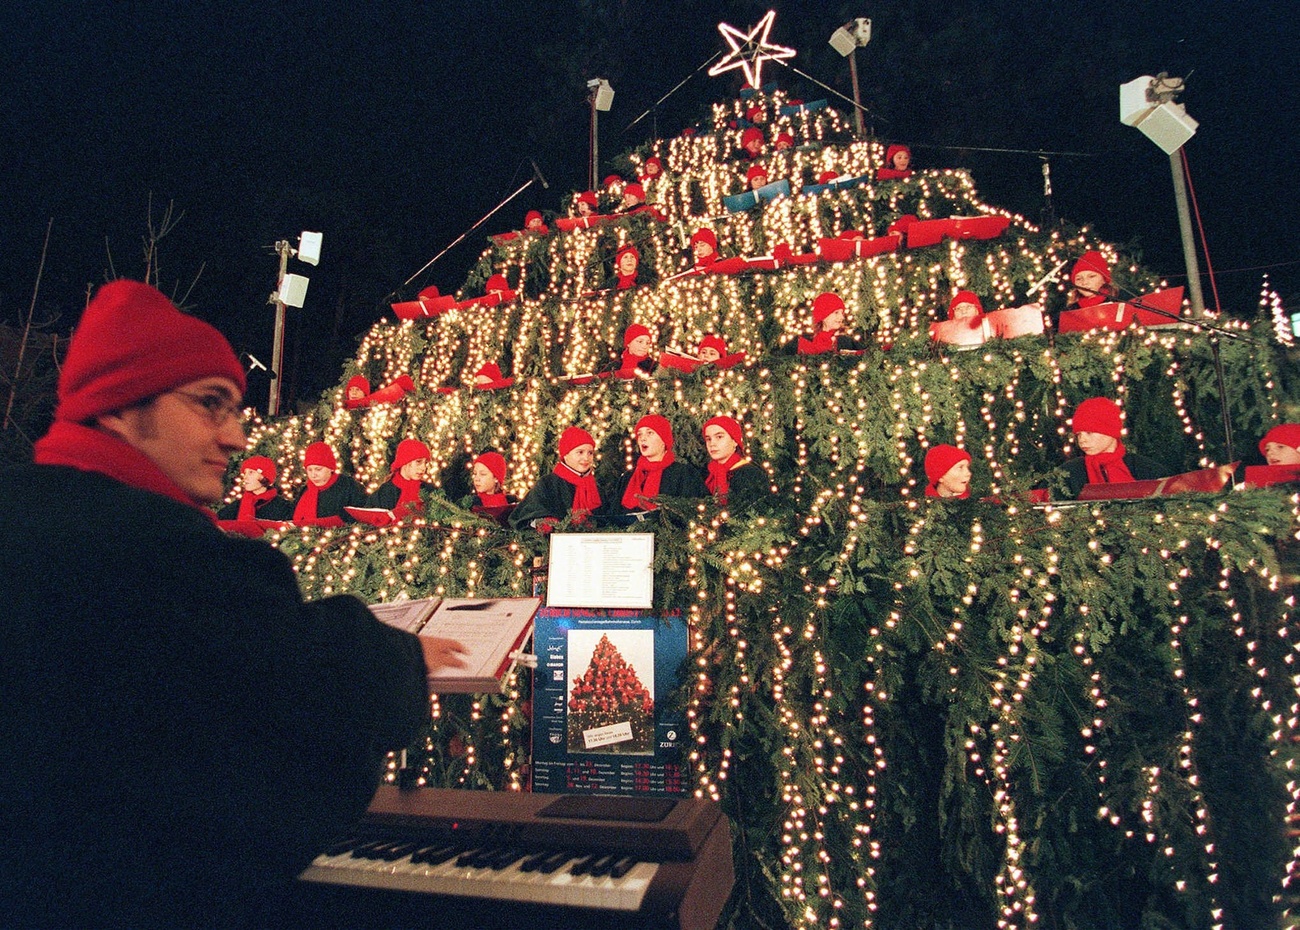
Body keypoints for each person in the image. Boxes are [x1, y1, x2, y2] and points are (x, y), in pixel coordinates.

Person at [0, 280, 466, 929]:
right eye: (210, 405)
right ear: (119, 407)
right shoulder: (170, 554)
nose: (236, 436)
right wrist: (403, 662)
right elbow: (300, 705)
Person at [1062, 396, 1167, 497]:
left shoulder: (1145, 469)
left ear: (1110, 432)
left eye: (1089, 432)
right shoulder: (1069, 472)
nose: (1082, 440)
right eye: (1079, 434)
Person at [510, 426, 602, 532]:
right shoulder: (547, 484)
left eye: (590, 453)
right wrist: (545, 523)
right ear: (566, 455)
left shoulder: (596, 487)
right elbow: (528, 512)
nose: (586, 458)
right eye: (580, 452)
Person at [609, 414, 707, 513]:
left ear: (664, 440)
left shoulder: (685, 474)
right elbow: (613, 516)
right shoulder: (627, 477)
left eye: (650, 433)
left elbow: (694, 513)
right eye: (640, 434)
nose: (643, 438)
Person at [292, 440, 367, 526]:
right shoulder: (305, 491)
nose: (313, 475)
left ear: (330, 468)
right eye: (309, 470)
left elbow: (360, 515)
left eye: (318, 469)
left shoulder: (348, 486)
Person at [702, 415, 768, 507]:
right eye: (708, 439)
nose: (712, 444)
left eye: (719, 437)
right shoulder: (709, 473)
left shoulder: (750, 473)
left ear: (735, 441)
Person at [366, 438, 432, 519]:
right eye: (418, 462)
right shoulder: (385, 491)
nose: (423, 468)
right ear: (404, 462)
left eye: (425, 463)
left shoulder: (429, 490)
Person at [216, 454, 292, 521]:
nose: (245, 477)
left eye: (251, 472)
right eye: (245, 473)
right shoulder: (235, 507)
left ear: (264, 476)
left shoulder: (283, 507)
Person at [796, 292, 868, 355]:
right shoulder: (806, 341)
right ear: (823, 316)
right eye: (836, 313)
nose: (842, 317)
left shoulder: (846, 341)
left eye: (842, 313)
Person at [459, 451, 518, 519]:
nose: (476, 479)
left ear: (496, 478)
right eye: (475, 474)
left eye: (483, 474)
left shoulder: (511, 502)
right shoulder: (471, 503)